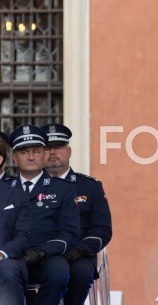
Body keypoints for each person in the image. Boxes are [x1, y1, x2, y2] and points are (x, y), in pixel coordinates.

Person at [7, 124, 80, 305]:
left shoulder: (63, 190)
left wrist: (41, 252)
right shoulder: (5, 189)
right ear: (15, 158)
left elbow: (69, 233)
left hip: (46, 258)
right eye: (24, 152)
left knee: (59, 271)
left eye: (36, 151)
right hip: (12, 258)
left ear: (44, 155)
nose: (30, 157)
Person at [41, 123, 113, 305]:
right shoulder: (29, 187)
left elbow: (102, 229)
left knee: (81, 274)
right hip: (41, 252)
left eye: (58, 147)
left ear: (69, 151)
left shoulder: (90, 186)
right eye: (47, 148)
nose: (52, 152)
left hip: (77, 253)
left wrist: (80, 250)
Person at [0, 130, 31, 305]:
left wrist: (2, 254)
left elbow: (23, 236)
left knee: (7, 270)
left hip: (6, 259)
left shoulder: (17, 196)